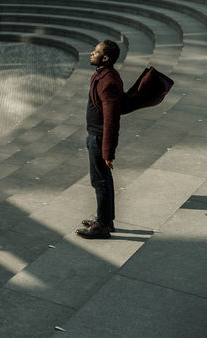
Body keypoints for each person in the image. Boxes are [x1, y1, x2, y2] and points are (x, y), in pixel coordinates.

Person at [76, 40, 123, 239]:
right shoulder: (102, 75)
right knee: (103, 181)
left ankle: (103, 226)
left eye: (95, 52)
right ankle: (105, 220)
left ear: (105, 58)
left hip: (99, 137)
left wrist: (107, 152)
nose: (91, 54)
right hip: (94, 135)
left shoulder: (108, 81)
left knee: (100, 181)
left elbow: (112, 121)